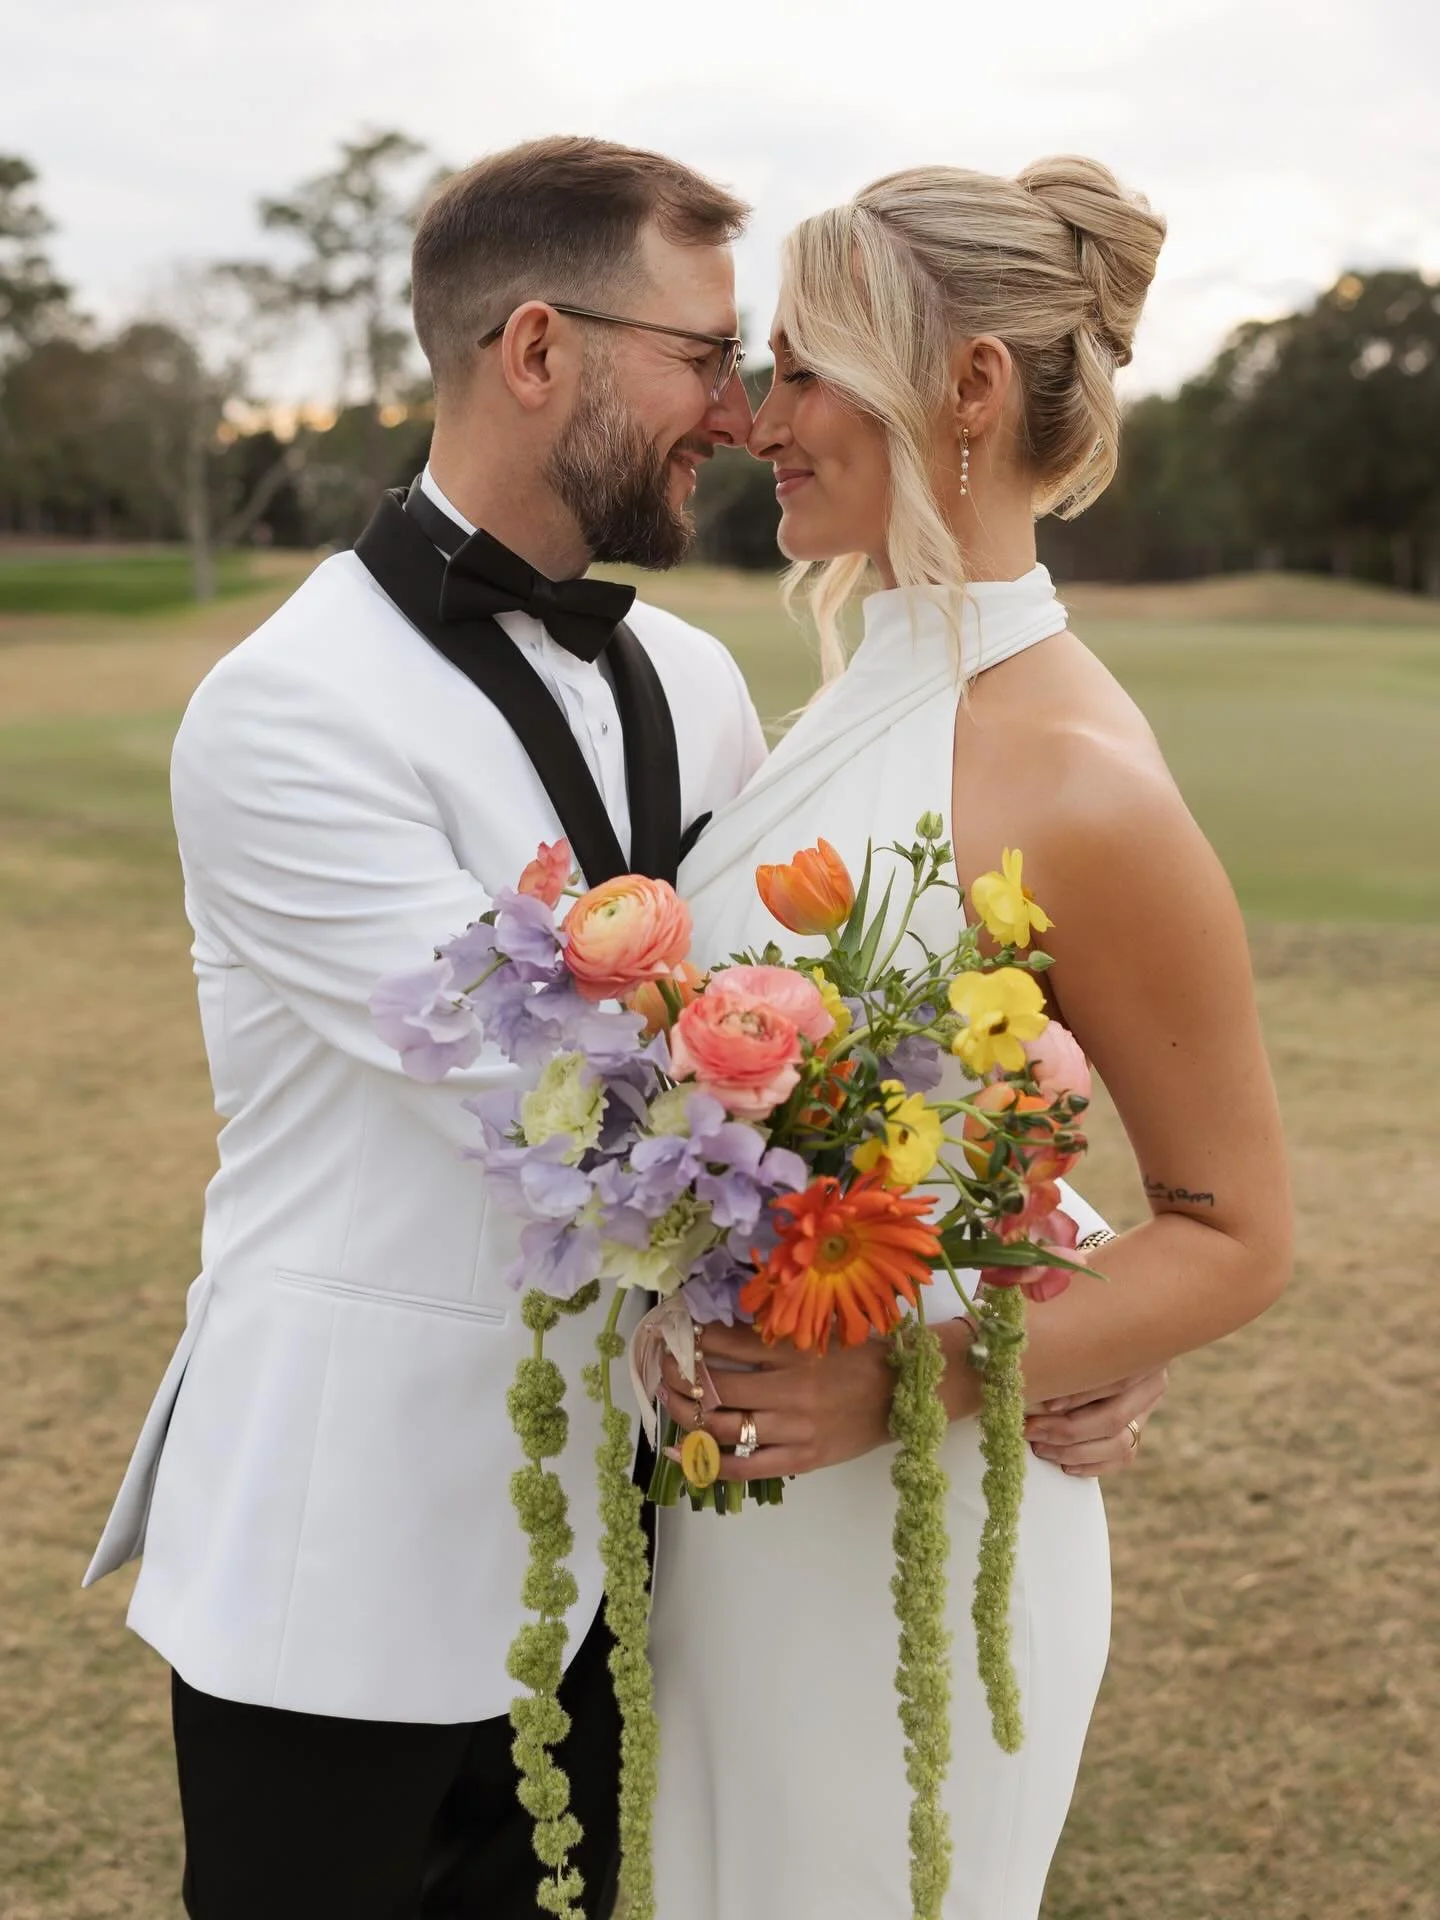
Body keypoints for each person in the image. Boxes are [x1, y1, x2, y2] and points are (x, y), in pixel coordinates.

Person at [83, 133, 1165, 1918]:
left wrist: (1061, 1283)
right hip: (344, 1561)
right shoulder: (285, 716)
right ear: (538, 351)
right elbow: (587, 1121)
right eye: (705, 356)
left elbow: (825, 1033)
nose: (739, 415)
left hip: (654, 1555)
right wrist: (980, 1318)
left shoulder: (700, 679)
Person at [651, 157, 1293, 1920]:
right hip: (741, 1533)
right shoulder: (862, 690)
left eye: (800, 368)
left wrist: (925, 1377)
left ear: (969, 389)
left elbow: (1239, 1230)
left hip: (915, 1550)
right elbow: (981, 1102)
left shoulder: (1077, 774)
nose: (755, 416)